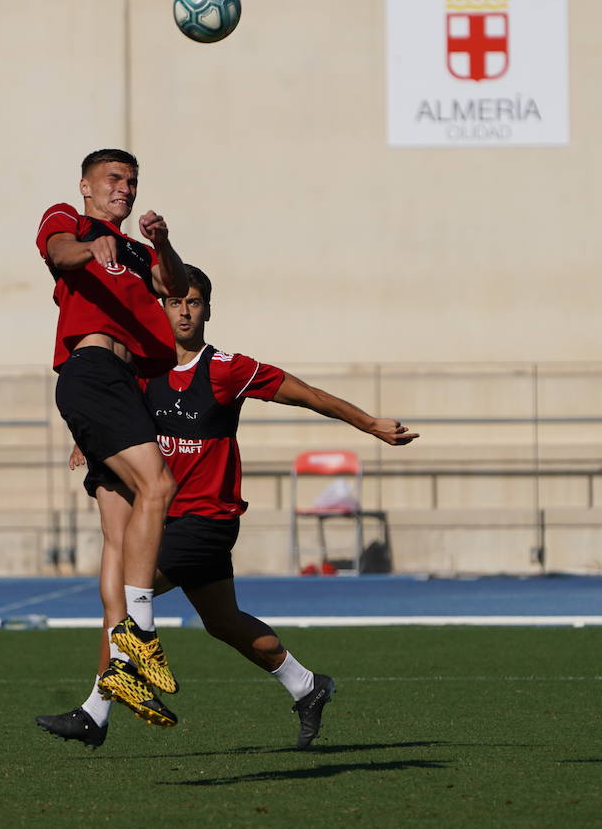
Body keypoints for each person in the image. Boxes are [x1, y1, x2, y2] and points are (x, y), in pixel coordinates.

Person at [37, 265, 418, 749]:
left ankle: (97, 711)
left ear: (208, 310)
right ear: (159, 307)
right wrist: (85, 441)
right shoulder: (141, 371)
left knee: (126, 594)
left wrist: (369, 424)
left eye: (193, 302)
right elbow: (114, 423)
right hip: (168, 521)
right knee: (223, 622)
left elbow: (310, 396)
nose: (184, 312)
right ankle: (307, 685)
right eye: (175, 302)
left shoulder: (226, 368)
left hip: (207, 520)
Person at [36, 149, 189, 721]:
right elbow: (58, 252)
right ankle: (140, 638)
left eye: (131, 181)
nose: (123, 188)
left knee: (122, 538)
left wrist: (164, 241)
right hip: (95, 375)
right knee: (159, 488)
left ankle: (96, 709)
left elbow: (171, 285)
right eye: (113, 179)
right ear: (86, 185)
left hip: (123, 394)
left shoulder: (139, 250)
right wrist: (88, 248)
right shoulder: (70, 223)